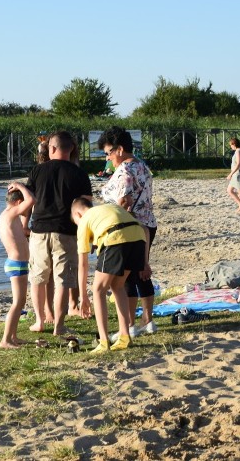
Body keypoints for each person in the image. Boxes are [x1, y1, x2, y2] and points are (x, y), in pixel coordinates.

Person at [26, 131, 92, 336]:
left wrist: (23, 225)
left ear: (51, 148)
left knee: (38, 277)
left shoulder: (37, 170)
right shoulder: (79, 173)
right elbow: (86, 206)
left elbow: (28, 200)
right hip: (66, 232)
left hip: (39, 230)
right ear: (71, 149)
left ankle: (40, 320)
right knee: (63, 279)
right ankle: (59, 325)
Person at [97, 126, 158, 338]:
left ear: (119, 149)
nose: (108, 158)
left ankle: (130, 325)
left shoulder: (124, 172)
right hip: (148, 223)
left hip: (129, 227)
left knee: (127, 277)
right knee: (142, 272)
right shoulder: (142, 166)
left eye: (108, 153)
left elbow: (123, 202)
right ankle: (148, 320)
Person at [71, 197, 147, 353]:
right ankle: (125, 336)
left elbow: (83, 264)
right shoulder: (107, 208)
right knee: (118, 286)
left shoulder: (84, 220)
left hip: (115, 237)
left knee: (98, 289)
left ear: (77, 215)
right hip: (138, 238)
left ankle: (104, 341)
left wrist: (84, 296)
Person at [0, 182, 35, 349]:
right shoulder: (12, 212)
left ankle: (13, 336)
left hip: (16, 263)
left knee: (20, 302)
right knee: (17, 302)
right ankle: (5, 340)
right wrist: (20, 185)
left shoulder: (6, 215)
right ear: (19, 203)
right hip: (16, 264)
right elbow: (31, 199)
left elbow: (20, 233)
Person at [225, 138, 240, 214]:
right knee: (229, 190)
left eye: (231, 145)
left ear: (234, 144)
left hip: (238, 174)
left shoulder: (238, 151)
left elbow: (238, 164)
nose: (230, 147)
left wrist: (231, 174)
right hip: (237, 173)